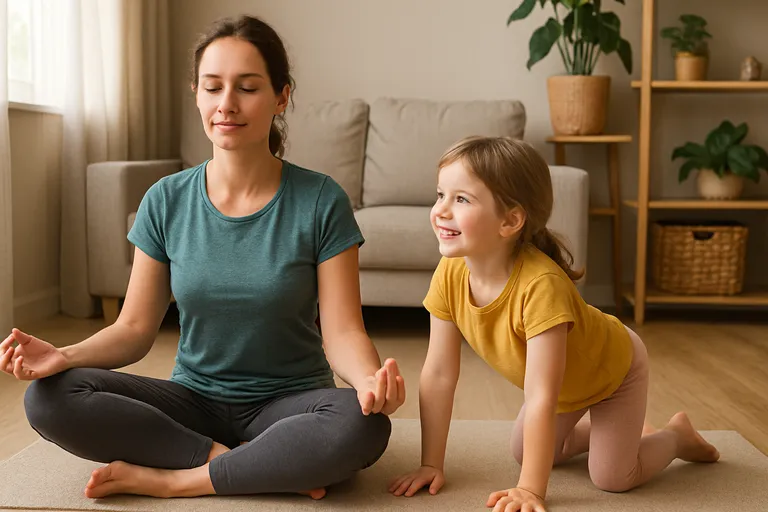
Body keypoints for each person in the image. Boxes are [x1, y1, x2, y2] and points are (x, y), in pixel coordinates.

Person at [1, 14, 404, 500]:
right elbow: (133, 331)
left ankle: (177, 479)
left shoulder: (321, 200)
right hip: (193, 402)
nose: (227, 104)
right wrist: (63, 355)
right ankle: (243, 464)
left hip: (291, 402)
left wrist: (368, 382)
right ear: (196, 93)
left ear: (282, 96)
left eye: (247, 88)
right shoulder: (165, 200)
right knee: (49, 397)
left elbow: (342, 331)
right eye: (213, 88)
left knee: (363, 426)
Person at [388, 136, 719, 512]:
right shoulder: (450, 271)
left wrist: (531, 489)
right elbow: (439, 372)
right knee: (524, 450)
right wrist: (431, 463)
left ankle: (675, 436)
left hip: (612, 372)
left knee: (612, 477)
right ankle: (616, 431)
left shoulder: (541, 286)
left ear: (510, 220)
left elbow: (542, 394)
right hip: (565, 384)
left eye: (461, 199)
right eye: (440, 194)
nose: (441, 210)